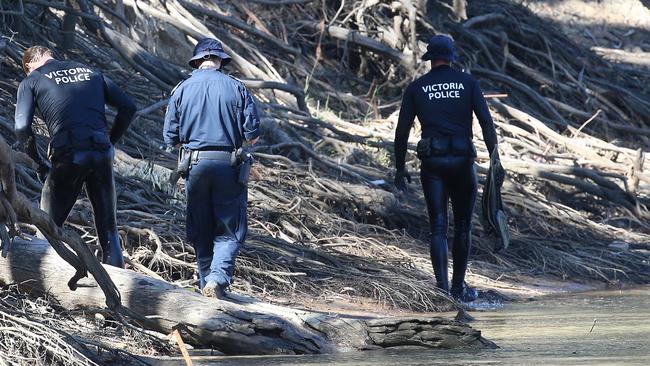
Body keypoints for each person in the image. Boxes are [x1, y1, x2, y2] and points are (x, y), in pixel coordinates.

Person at [393, 35, 500, 302]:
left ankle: (441, 290)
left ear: (430, 59)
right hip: (463, 162)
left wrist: (399, 167)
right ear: (452, 57)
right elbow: (487, 123)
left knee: (438, 227)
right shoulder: (469, 83)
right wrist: (495, 158)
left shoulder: (417, 88)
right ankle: (458, 288)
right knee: (463, 225)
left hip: (434, 164)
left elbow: (402, 130)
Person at [14, 46, 136, 268]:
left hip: (68, 154)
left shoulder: (32, 80)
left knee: (48, 225)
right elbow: (128, 107)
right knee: (109, 229)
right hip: (100, 152)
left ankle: (42, 283)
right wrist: (109, 141)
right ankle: (117, 292)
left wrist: (38, 162)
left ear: (29, 65)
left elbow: (22, 127)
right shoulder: (90, 72)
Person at [163, 38, 261, 299]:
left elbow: (169, 137)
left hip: (194, 167)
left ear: (197, 62)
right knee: (229, 229)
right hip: (228, 166)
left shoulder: (181, 89)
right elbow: (253, 135)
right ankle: (217, 278)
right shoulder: (237, 88)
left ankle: (206, 282)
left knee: (201, 229)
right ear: (220, 61)